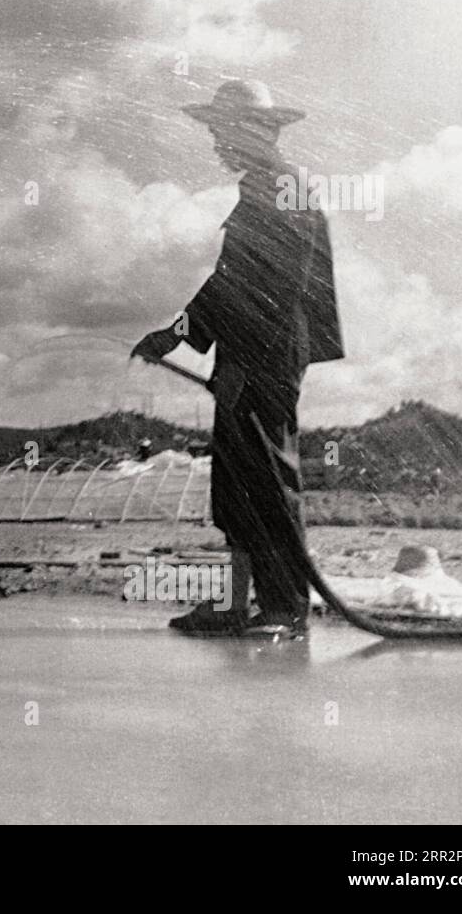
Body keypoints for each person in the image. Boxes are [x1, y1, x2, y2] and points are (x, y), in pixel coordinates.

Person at [132, 80, 344, 640]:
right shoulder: (261, 189)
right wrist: (174, 336)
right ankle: (235, 606)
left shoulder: (283, 188)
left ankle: (285, 611)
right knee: (236, 482)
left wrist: (240, 365)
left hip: (266, 354)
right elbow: (228, 284)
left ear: (259, 131)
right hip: (244, 351)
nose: (217, 143)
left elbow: (280, 288)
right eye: (215, 131)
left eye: (223, 131)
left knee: (269, 480)